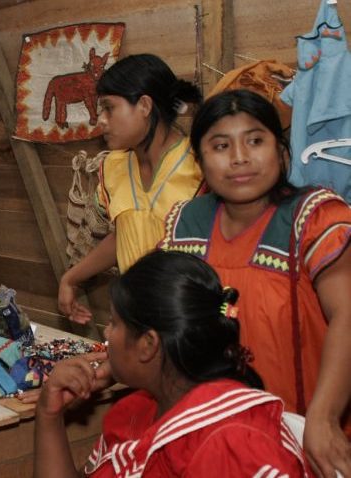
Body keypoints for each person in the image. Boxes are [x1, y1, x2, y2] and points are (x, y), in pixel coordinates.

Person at [160, 89, 351, 478]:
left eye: (255, 140)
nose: (240, 157)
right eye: (220, 145)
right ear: (200, 162)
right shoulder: (184, 224)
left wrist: (324, 417)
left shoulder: (313, 218)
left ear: (281, 152)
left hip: (305, 434)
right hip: (217, 437)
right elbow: (162, 315)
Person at [35, 250, 314, 477]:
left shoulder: (232, 446)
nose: (107, 334)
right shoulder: (135, 411)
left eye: (114, 323)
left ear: (148, 344)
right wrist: (49, 413)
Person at [58, 54, 204, 324]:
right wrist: (71, 278)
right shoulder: (114, 167)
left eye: (109, 108)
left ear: (145, 106)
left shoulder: (199, 166)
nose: (100, 119)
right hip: (134, 318)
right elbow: (126, 234)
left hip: (185, 324)